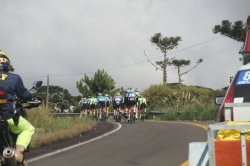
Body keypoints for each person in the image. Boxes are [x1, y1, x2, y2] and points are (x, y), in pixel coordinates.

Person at [0, 50, 36, 166]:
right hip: (7, 117)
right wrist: (32, 96)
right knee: (28, 128)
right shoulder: (14, 78)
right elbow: (24, 95)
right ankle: (18, 153)